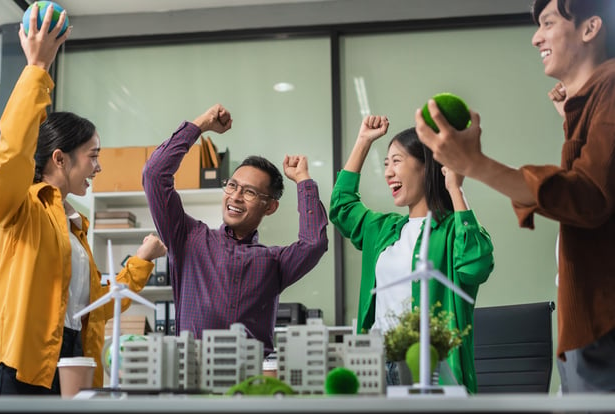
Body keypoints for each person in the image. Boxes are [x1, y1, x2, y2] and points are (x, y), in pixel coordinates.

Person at [415, 0, 615, 394]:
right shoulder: (594, 98)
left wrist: (476, 164)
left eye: (548, 22)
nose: (536, 37)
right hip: (590, 326)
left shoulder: (611, 86)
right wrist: (571, 122)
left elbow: (589, 198)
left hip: (604, 327)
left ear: (591, 28)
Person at [0, 5, 167, 395]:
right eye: (93, 154)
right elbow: (13, 151)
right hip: (20, 365)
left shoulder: (75, 227)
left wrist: (141, 262)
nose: (99, 167)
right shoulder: (19, 207)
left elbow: (95, 306)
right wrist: (37, 68)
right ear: (60, 157)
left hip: (70, 358)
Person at [142, 104, 329, 356]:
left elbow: (314, 243)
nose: (236, 197)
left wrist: (304, 181)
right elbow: (155, 175)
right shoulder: (187, 238)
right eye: (232, 186)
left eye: (250, 192)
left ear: (270, 207)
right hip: (193, 379)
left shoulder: (274, 262)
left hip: (253, 383)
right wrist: (200, 125)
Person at [329, 115, 494, 393]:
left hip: (431, 369)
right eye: (386, 164)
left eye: (396, 161)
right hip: (377, 364)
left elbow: (474, 267)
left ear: (425, 166)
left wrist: (456, 188)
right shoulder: (383, 230)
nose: (388, 172)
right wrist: (363, 141)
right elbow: (341, 207)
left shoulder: (455, 230)